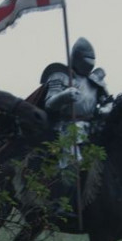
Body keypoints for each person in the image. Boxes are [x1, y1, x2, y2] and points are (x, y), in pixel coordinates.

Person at [38, 37, 112, 217]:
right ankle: (61, 204)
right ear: (77, 58)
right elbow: (49, 103)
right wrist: (64, 96)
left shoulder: (96, 80)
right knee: (72, 161)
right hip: (66, 127)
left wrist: (106, 109)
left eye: (91, 60)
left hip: (92, 127)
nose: (89, 64)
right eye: (86, 59)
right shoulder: (60, 75)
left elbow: (108, 102)